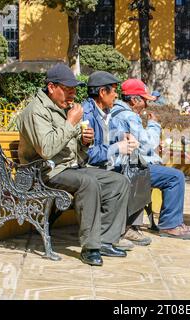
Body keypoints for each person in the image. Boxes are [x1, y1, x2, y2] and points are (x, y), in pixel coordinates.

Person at [17, 63, 129, 267]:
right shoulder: (36, 111)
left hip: (68, 168)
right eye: (68, 90)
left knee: (118, 182)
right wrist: (70, 123)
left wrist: (84, 142)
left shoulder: (63, 107)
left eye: (74, 91)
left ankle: (105, 240)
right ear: (52, 87)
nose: (72, 96)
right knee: (87, 183)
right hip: (42, 172)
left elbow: (74, 150)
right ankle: (91, 247)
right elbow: (47, 150)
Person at [109, 79, 190, 240]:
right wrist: (154, 125)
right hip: (128, 168)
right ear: (134, 100)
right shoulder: (129, 116)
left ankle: (168, 223)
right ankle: (170, 225)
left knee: (165, 170)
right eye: (144, 101)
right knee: (175, 177)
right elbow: (148, 143)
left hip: (123, 164)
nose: (147, 106)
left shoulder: (115, 112)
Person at [81, 71, 151, 248]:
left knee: (139, 169)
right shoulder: (87, 114)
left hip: (103, 164)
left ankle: (123, 228)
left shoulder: (104, 111)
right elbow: (88, 153)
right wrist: (117, 147)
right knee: (123, 178)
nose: (116, 95)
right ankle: (114, 234)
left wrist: (124, 136)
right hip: (88, 166)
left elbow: (108, 136)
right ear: (102, 93)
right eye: (113, 91)